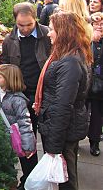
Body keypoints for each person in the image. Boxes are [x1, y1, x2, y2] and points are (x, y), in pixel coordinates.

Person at [34, 11, 92, 190]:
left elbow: (63, 105)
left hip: (61, 131)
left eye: (52, 29)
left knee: (65, 179)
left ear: (64, 32)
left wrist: (54, 146)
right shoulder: (67, 56)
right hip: (59, 127)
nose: (49, 33)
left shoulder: (69, 62)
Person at [0, 2, 52, 188]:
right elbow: (4, 64)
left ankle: (48, 177)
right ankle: (29, 178)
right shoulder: (10, 40)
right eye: (21, 25)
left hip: (44, 95)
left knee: (48, 138)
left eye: (29, 25)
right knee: (25, 140)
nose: (25, 29)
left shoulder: (47, 35)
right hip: (21, 97)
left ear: (35, 19)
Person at [0, 64, 36, 186]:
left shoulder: (18, 100)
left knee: (10, 165)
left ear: (8, 79)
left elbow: (25, 123)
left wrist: (28, 145)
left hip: (9, 139)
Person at [87, 12, 103, 156]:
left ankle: (94, 141)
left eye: (102, 24)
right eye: (97, 24)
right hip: (86, 82)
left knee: (97, 115)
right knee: (81, 111)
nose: (99, 26)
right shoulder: (85, 39)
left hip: (100, 85)